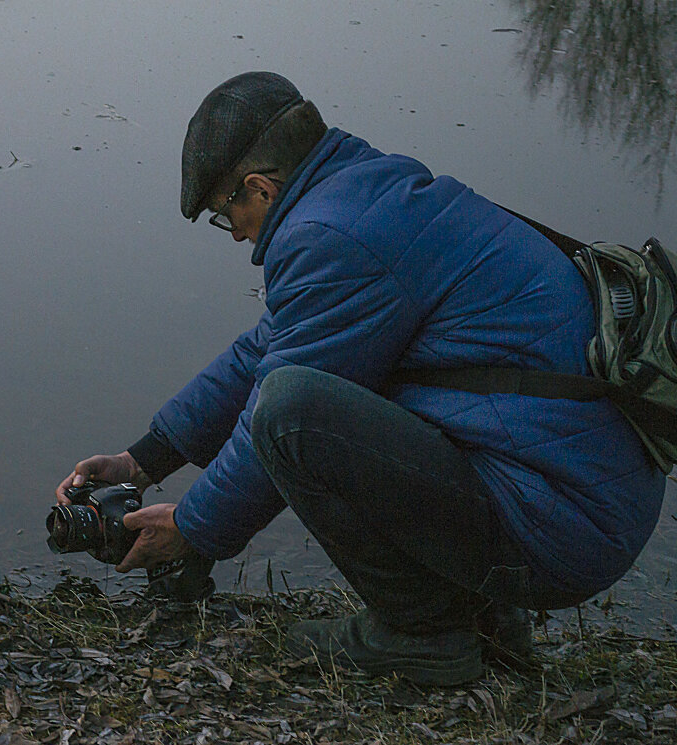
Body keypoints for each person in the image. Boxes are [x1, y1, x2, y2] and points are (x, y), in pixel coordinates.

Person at [54, 72, 667, 686]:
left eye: (226, 215)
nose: (238, 236)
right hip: (581, 500)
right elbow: (263, 350)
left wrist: (191, 530)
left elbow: (281, 403)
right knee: (302, 393)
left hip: (561, 528)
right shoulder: (368, 190)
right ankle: (481, 617)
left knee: (290, 413)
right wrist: (142, 461)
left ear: (261, 188)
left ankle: (421, 632)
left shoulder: (332, 236)